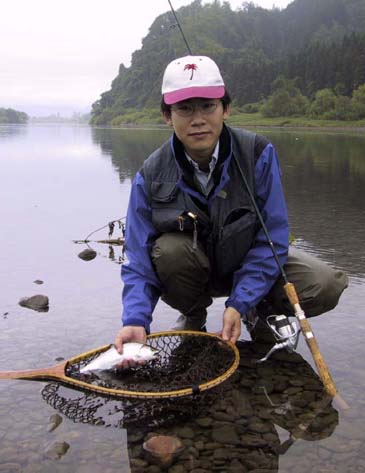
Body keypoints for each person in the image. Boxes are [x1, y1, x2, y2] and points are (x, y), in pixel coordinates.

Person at [114, 55, 347, 353]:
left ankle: (258, 308)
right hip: (193, 272)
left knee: (324, 284)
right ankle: (193, 314)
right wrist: (135, 319)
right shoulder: (150, 174)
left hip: (247, 262)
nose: (198, 119)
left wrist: (240, 301)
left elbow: (273, 238)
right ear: (167, 116)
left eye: (208, 106)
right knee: (168, 251)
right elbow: (137, 258)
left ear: (226, 109)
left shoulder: (258, 154)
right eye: (184, 108)